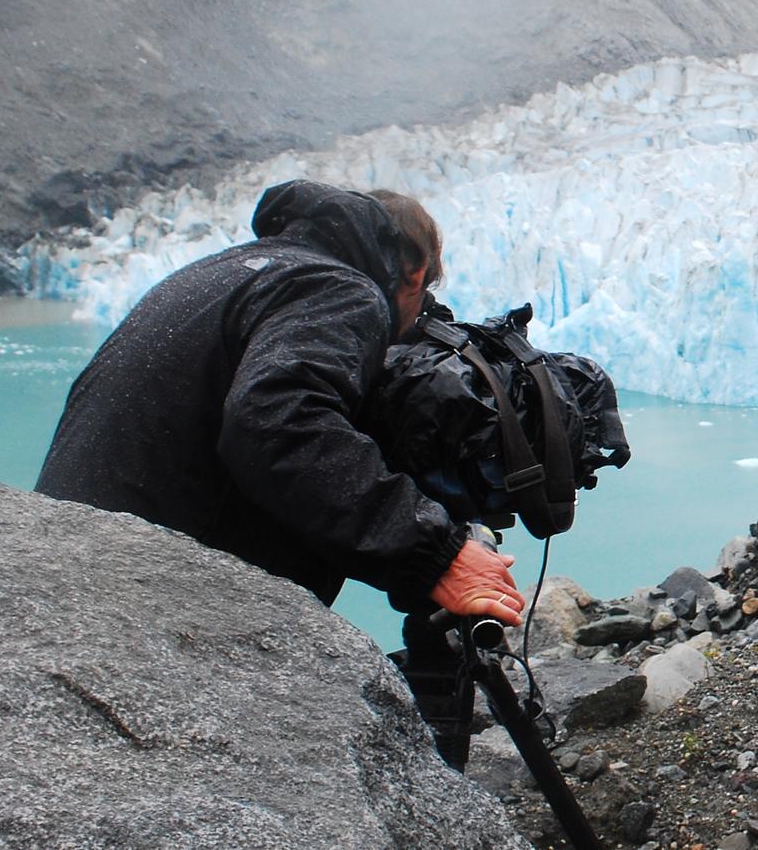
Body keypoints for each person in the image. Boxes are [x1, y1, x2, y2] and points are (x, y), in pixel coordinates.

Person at [36, 179, 524, 629]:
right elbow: (278, 423)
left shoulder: (227, 270)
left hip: (59, 564)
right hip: (137, 598)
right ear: (415, 273)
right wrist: (436, 553)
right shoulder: (340, 289)